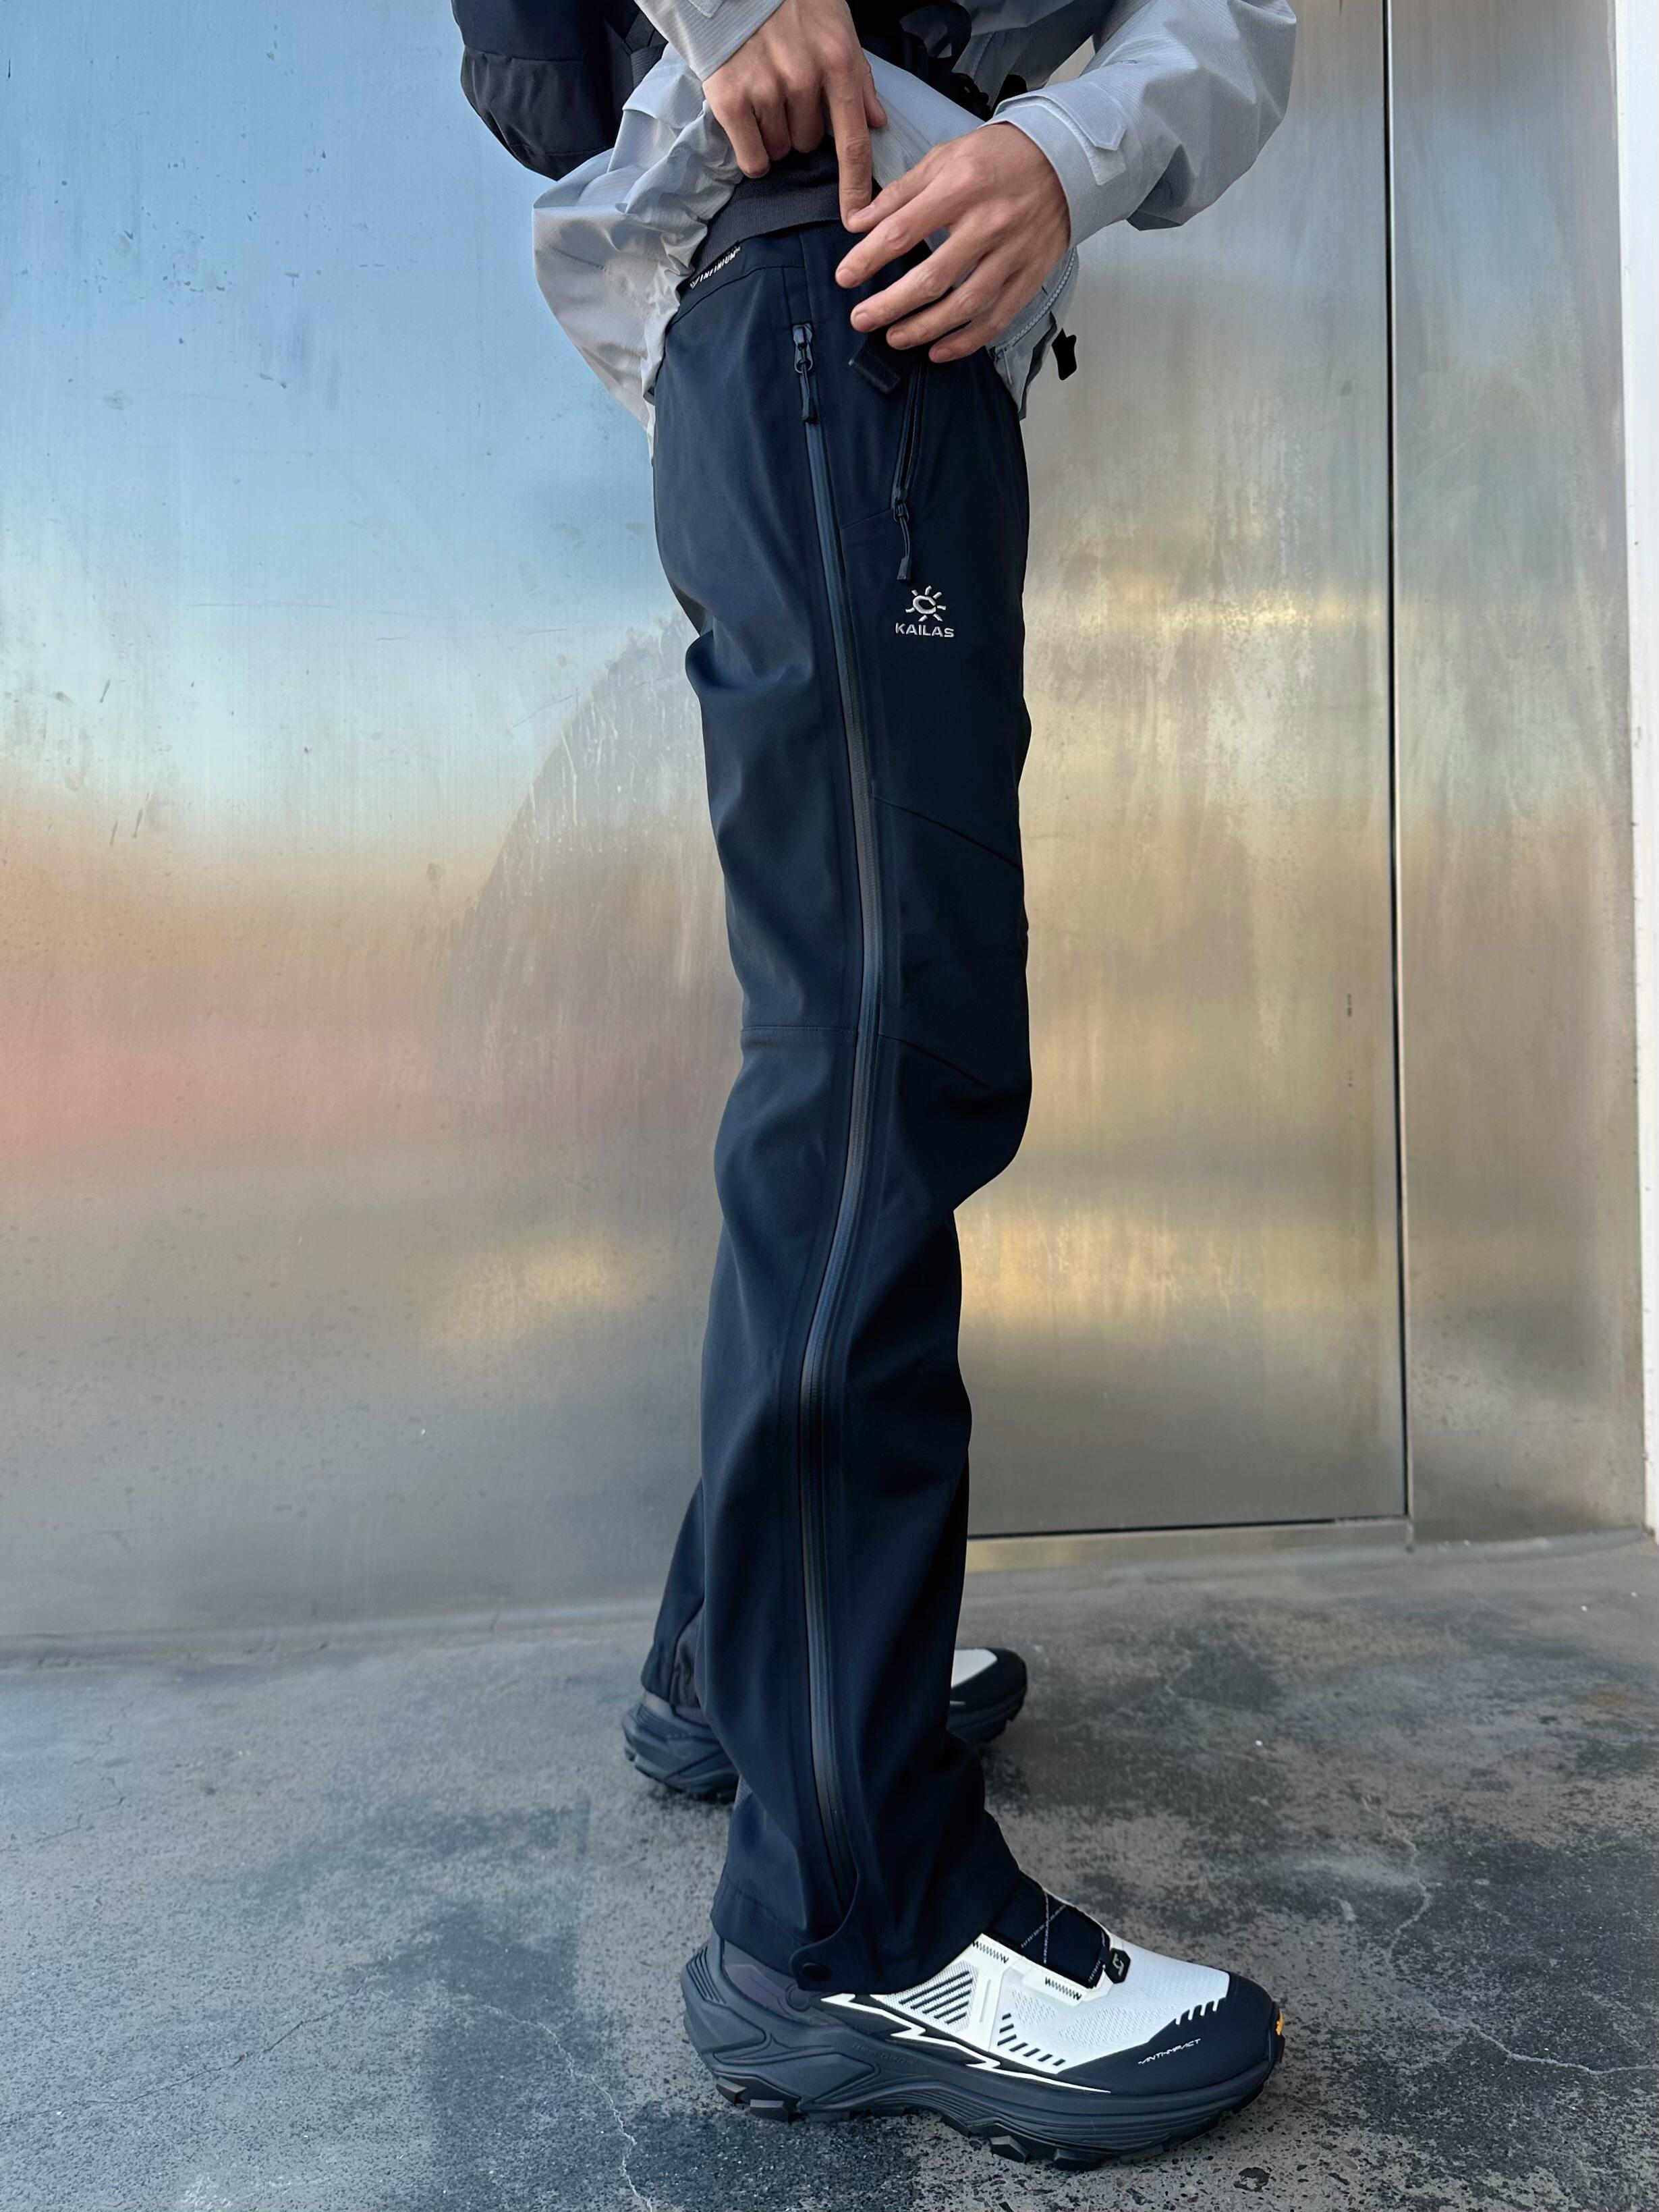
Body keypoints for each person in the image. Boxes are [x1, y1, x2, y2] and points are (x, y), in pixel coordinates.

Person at [453, 0, 1296, 2167]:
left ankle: (734, 1667)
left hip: (866, 322)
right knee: (878, 1057)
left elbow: (1228, 22)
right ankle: (845, 1916)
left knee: (863, 1043)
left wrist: (1065, 156)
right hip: (833, 302)